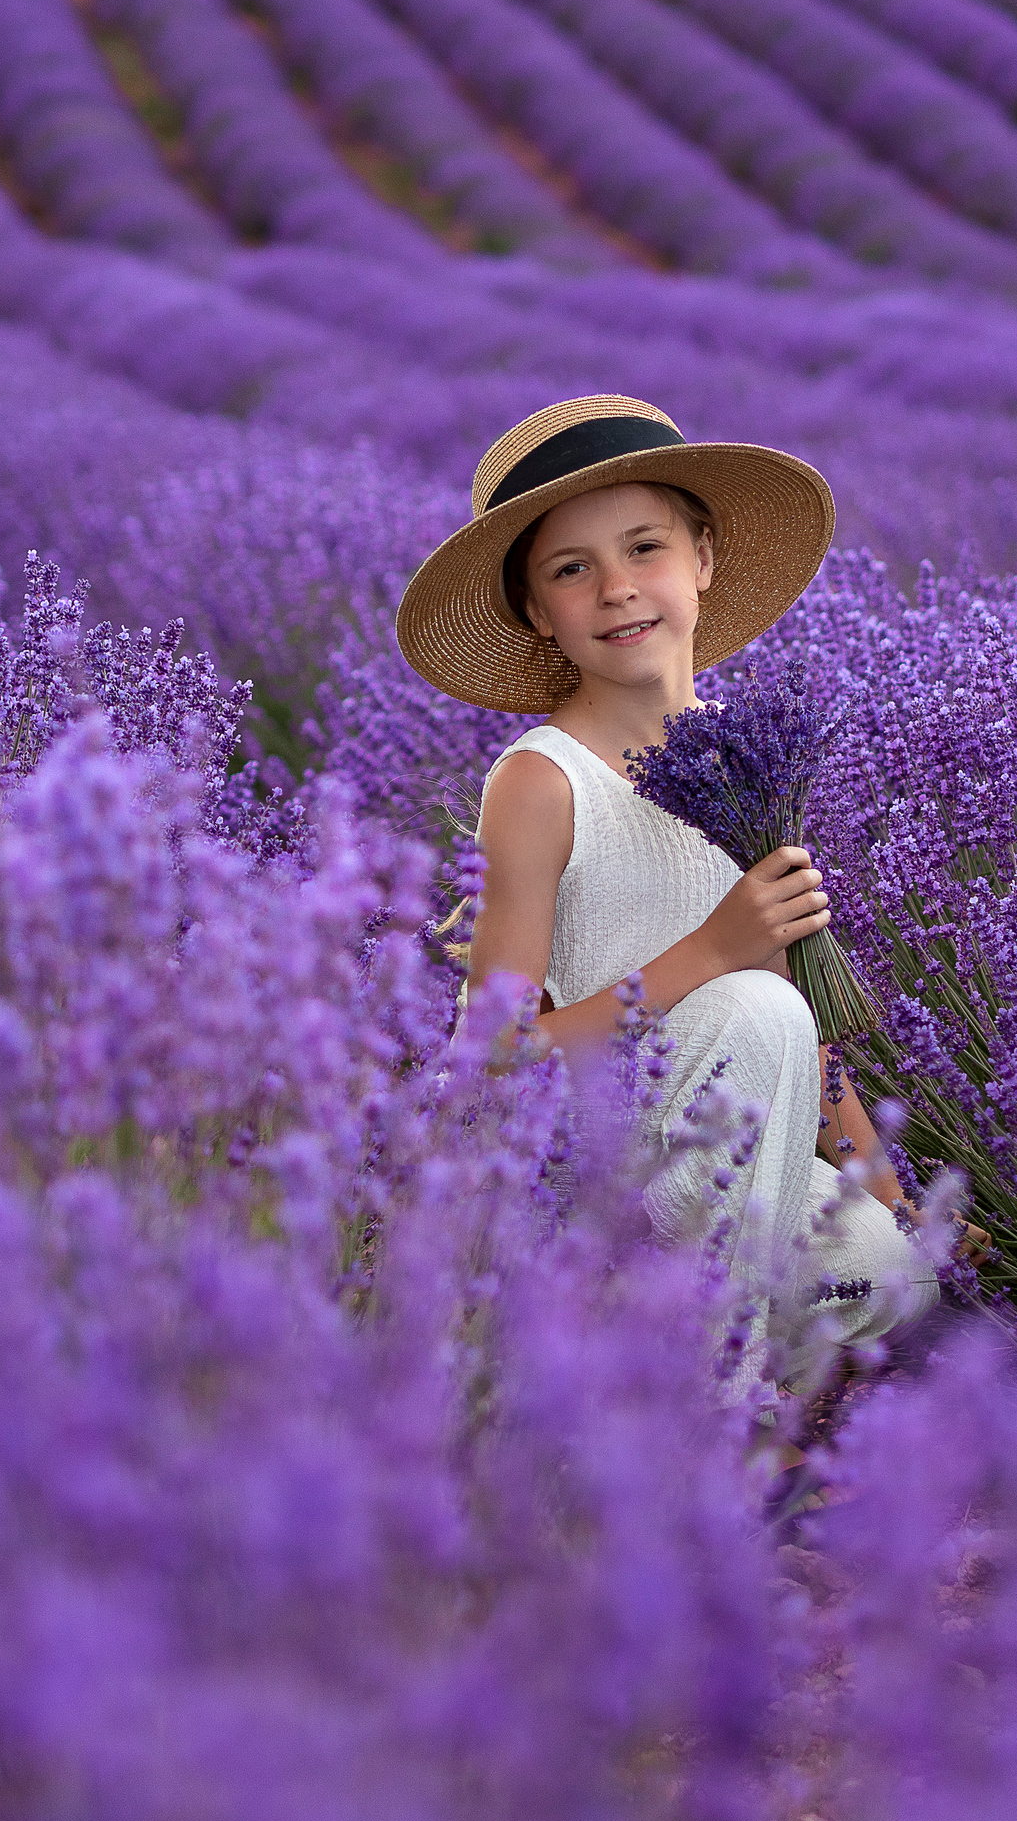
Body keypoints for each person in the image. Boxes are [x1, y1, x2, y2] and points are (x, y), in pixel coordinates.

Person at [396, 394, 958, 1400]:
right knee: (754, 1003)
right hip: (584, 1166)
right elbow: (491, 1055)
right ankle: (708, 1407)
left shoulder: (747, 768)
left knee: (891, 1269)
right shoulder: (542, 782)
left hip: (735, 1156)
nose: (617, 588)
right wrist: (711, 953)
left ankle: (660, 1356)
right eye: (571, 570)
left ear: (701, 559)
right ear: (538, 612)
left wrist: (889, 1190)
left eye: (644, 548)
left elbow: (802, 1039)